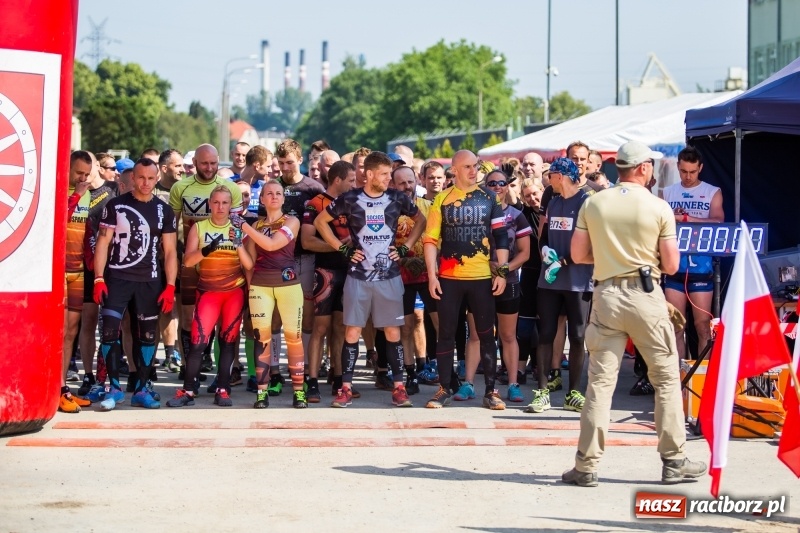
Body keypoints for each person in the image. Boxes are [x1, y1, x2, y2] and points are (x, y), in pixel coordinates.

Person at [562, 140, 707, 487]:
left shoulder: (594, 203)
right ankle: (674, 461)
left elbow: (578, 255)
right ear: (643, 168)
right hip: (645, 295)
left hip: (606, 295)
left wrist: (609, 257)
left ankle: (586, 465)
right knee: (666, 380)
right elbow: (671, 264)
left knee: (600, 383)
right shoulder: (658, 207)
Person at [314, 152, 424, 408]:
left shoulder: (396, 197)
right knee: (352, 331)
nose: (389, 179)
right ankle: (345, 389)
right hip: (358, 276)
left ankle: (399, 388)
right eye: (384, 174)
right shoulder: (350, 198)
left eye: (390, 174)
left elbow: (421, 220)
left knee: (393, 332)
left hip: (389, 276)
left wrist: (406, 247)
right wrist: (342, 249)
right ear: (370, 174)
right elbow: (320, 222)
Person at [422, 150, 509, 409]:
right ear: (455, 170)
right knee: (446, 334)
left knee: (486, 335)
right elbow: (430, 240)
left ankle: (491, 391)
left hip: (482, 277)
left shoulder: (489, 198)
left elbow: (501, 236)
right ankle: (444, 388)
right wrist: (432, 276)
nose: (474, 171)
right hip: (449, 278)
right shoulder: (442, 199)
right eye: (468, 167)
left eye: (476, 166)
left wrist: (502, 272)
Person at [93, 158, 178, 410]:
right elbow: (103, 242)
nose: (146, 183)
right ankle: (113, 388)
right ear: (132, 178)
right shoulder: (115, 205)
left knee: (147, 336)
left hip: (149, 281)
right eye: (141, 177)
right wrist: (98, 278)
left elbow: (170, 251)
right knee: (109, 332)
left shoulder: (164, 210)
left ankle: (142, 389)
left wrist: (170, 285)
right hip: (117, 278)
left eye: (151, 178)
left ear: (157, 178)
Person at [166, 186, 253, 408]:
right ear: (209, 204)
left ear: (230, 206)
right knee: (198, 342)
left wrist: (238, 244)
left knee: (228, 342)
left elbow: (249, 264)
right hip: (208, 292)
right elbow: (187, 261)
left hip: (234, 292)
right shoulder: (199, 227)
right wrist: (206, 251)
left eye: (225, 203)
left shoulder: (239, 228)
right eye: (216, 202)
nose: (220, 207)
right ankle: (188, 390)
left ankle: (223, 389)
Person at [169, 144, 242, 386]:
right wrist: (171, 258)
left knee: (225, 321)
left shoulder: (231, 189)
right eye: (204, 163)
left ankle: (226, 371)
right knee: (188, 317)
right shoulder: (181, 187)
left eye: (213, 163)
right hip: (191, 260)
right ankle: (189, 367)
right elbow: (171, 227)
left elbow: (238, 228)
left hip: (224, 263)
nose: (209, 168)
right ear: (195, 163)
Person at [458, 169, 531, 405]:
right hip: (478, 281)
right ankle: (468, 384)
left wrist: (503, 269)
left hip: (508, 282)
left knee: (508, 335)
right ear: (484, 187)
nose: (497, 187)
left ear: (508, 186)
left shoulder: (517, 216)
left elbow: (525, 253)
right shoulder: (475, 213)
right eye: (492, 183)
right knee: (476, 335)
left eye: (502, 183)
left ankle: (513, 384)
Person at [526, 158, 593, 414]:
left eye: (551, 175)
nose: (547, 179)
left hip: (578, 280)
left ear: (561, 176)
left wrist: (563, 261)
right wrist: (545, 251)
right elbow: (543, 236)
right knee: (545, 333)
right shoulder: (553, 202)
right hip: (550, 280)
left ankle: (573, 393)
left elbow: (592, 244)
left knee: (577, 336)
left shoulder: (586, 202)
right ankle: (542, 392)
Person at [234, 180, 305, 409]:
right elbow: (249, 263)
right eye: (269, 193)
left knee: (293, 338)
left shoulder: (292, 221)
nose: (274, 196)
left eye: (278, 193)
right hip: (260, 286)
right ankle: (261, 392)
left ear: (283, 198)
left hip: (288, 286)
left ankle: (299, 392)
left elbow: (273, 245)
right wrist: (238, 244)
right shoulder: (256, 225)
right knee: (261, 338)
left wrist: (245, 228)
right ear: (262, 199)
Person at [270, 139, 325, 394]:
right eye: (281, 163)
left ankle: (301, 371)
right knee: (275, 317)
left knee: (307, 317)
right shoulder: (273, 187)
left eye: (289, 162)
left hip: (307, 259)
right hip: (277, 259)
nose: (285, 168)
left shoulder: (314, 188)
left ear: (301, 160)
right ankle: (274, 372)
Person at [661, 146, 724, 359]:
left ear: (701, 168)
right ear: (678, 167)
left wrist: (688, 219)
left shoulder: (712, 191)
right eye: (683, 171)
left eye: (693, 172)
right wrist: (672, 216)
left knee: (703, 327)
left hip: (701, 267)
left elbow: (719, 222)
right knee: (675, 326)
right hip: (674, 267)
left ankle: (702, 376)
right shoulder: (668, 192)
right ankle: (678, 376)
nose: (688, 177)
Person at [301, 161, 356, 401]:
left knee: (341, 327)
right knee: (320, 327)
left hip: (350, 272)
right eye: (351, 180)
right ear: (337, 180)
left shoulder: (354, 202)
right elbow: (306, 241)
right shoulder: (315, 204)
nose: (354, 184)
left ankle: (338, 380)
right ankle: (312, 381)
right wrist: (338, 246)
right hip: (325, 272)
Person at [391, 166, 435, 396]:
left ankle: (447, 373)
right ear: (393, 184)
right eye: (401, 183)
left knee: (440, 323)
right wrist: (403, 260)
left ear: (416, 180)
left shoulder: (429, 206)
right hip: (401, 275)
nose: (407, 187)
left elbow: (440, 238)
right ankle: (410, 375)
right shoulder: (388, 209)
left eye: (410, 182)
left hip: (429, 273)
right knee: (406, 327)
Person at [62, 151, 95, 413]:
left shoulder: (87, 194)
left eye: (86, 174)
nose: (82, 179)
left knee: (72, 331)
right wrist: (75, 195)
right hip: (58, 271)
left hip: (78, 270)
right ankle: (55, 386)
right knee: (59, 330)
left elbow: (85, 231)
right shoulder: (60, 190)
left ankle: (62, 388)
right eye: (78, 173)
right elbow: (58, 221)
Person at [154, 149, 184, 372]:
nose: (183, 169)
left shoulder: (185, 190)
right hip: (155, 259)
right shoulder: (152, 191)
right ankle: (154, 360)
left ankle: (178, 358)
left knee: (182, 311)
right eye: (178, 165)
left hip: (181, 257)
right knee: (158, 309)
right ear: (164, 168)